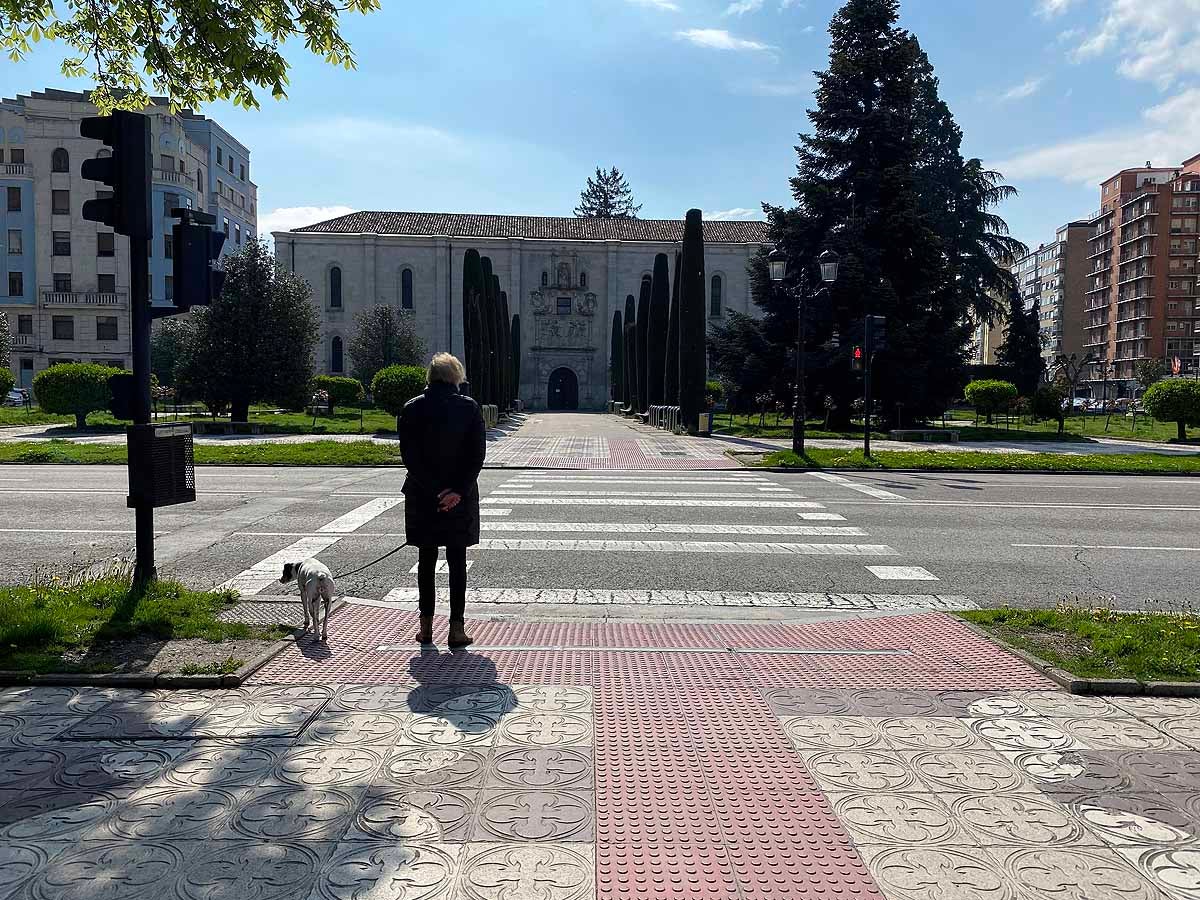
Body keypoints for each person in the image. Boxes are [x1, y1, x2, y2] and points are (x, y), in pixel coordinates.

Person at [399, 352, 486, 648]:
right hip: (459, 498)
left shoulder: (411, 409)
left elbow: (410, 458)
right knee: (457, 561)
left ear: (430, 377)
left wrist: (436, 491)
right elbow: (477, 456)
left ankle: (425, 628)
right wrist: (456, 491)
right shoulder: (470, 408)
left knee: (426, 560)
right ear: (456, 377)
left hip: (423, 495)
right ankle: (456, 629)